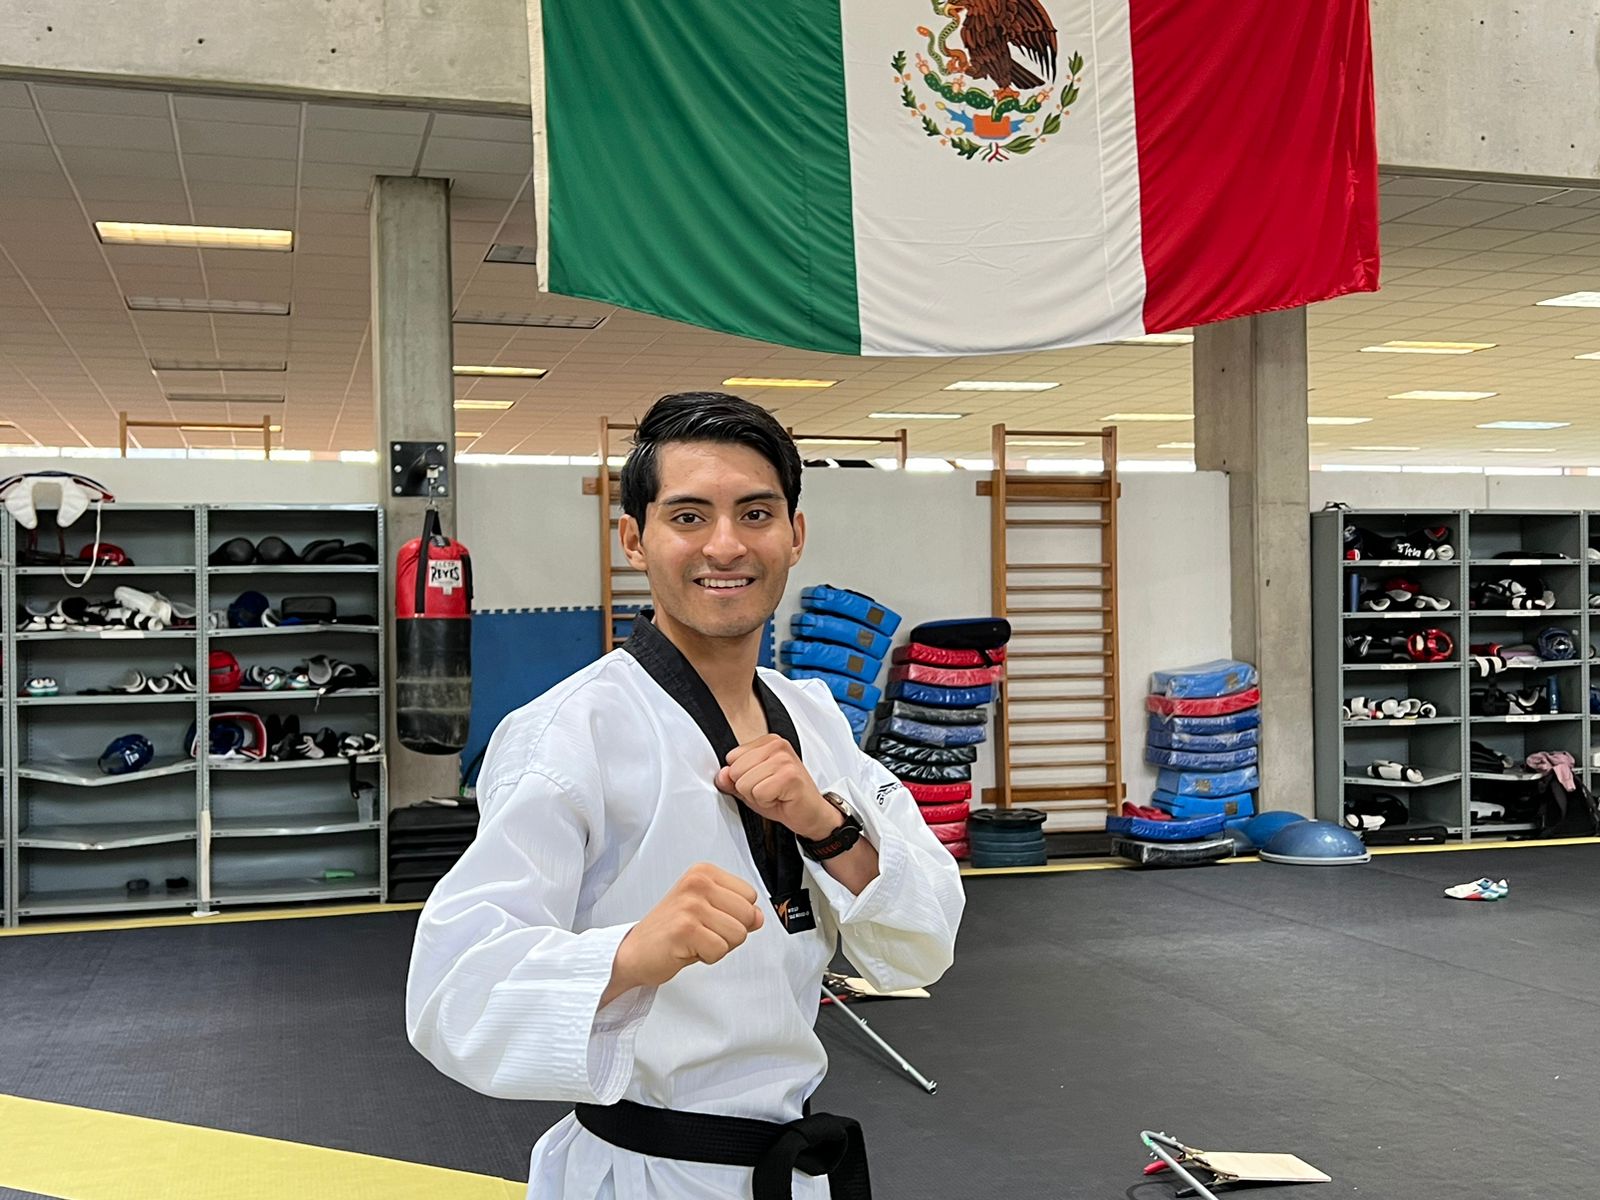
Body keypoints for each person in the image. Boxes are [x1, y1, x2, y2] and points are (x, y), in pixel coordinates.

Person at [405, 391, 965, 1199]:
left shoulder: (812, 714)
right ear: (635, 538)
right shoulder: (569, 733)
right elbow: (451, 993)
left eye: (757, 513)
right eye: (690, 516)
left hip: (796, 1165)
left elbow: (924, 942)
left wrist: (827, 828)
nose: (727, 546)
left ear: (796, 535)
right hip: (645, 1175)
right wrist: (627, 955)